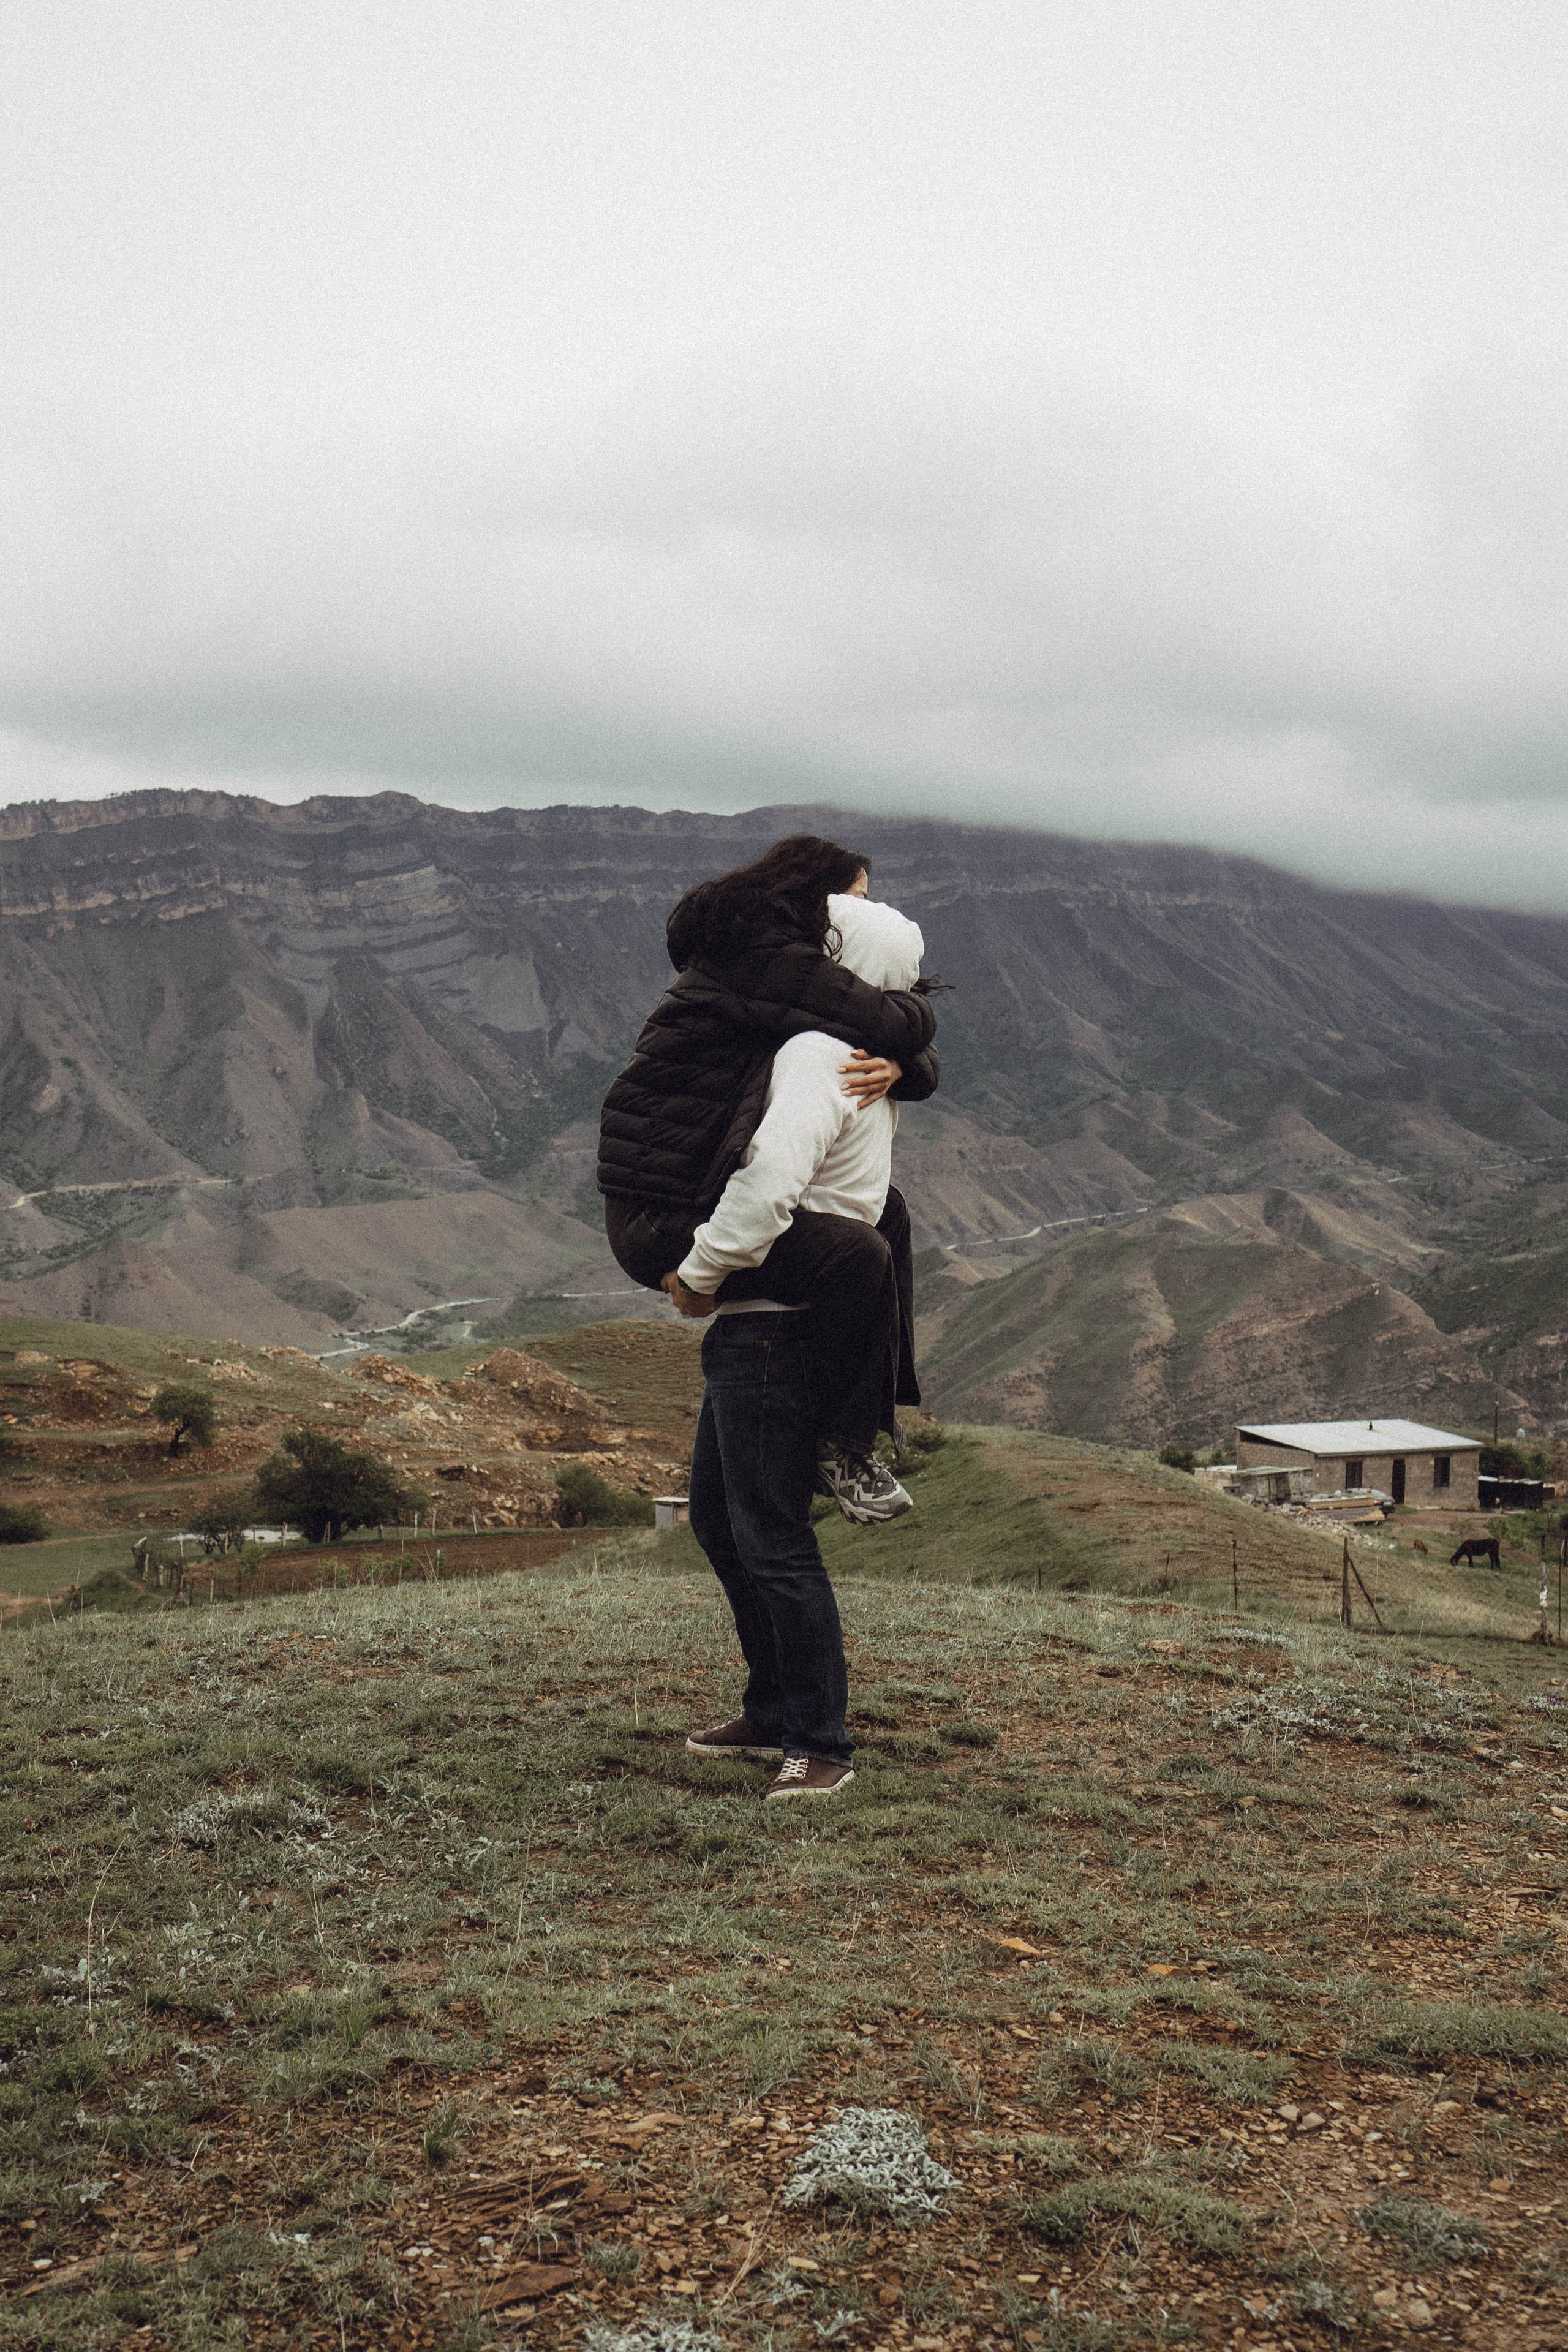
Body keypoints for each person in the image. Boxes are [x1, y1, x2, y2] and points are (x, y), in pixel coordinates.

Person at [672, 888, 930, 1801]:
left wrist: (700, 1272)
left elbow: (772, 1179)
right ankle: (775, 1707)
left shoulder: (818, 1053)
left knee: (772, 1539)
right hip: (768, 1326)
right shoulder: (861, 1055)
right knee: (718, 1521)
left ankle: (818, 1742)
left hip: (773, 1326)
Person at [598, 835, 939, 1517]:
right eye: (853, 898)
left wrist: (905, 1063)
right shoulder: (766, 958)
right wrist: (701, 1276)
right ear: (812, 896)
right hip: (661, 1217)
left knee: (889, 1212)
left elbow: (889, 1029)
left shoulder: (768, 961)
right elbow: (890, 1016)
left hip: (690, 1185)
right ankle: (840, 1447)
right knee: (855, 1252)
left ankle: (875, 1413)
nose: (859, 913)